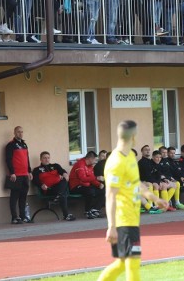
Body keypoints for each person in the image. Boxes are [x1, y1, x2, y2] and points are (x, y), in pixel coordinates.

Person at [97, 120, 168, 281]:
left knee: (122, 263)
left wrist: (154, 198)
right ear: (133, 137)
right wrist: (112, 227)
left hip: (132, 219)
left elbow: (136, 184)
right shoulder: (116, 162)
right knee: (133, 263)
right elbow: (110, 195)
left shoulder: (130, 155)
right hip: (123, 221)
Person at [32, 151, 76, 221]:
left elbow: (62, 171)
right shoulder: (37, 170)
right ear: (41, 159)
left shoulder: (55, 166)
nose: (47, 159)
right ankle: (66, 215)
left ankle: (58, 198)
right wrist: (41, 185)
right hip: (49, 189)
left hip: (58, 188)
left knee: (64, 181)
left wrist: (65, 174)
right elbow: (35, 180)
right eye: (44, 158)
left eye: (48, 158)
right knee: (63, 194)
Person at [5, 126, 33, 224]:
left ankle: (23, 216)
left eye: (21, 132)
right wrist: (12, 172)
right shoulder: (11, 145)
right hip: (16, 175)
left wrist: (29, 171)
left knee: (23, 197)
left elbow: (27, 159)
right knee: (14, 196)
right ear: (14, 133)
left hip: (25, 175)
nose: (20, 134)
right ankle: (14, 218)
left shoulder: (24, 144)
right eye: (18, 132)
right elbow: (8, 160)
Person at [69, 150, 105, 219]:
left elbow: (91, 178)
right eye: (95, 159)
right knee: (90, 191)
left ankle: (95, 209)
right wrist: (97, 178)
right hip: (76, 186)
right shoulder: (80, 164)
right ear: (90, 158)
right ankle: (87, 211)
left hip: (85, 185)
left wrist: (98, 184)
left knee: (102, 189)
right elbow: (82, 178)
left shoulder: (90, 166)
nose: (96, 161)